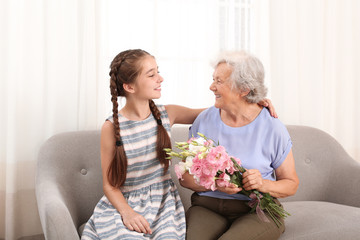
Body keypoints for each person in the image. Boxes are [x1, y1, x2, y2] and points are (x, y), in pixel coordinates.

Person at [81, 49, 277, 240]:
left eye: (158, 71)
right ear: (130, 87)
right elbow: (110, 185)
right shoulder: (111, 127)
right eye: (151, 75)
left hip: (163, 205)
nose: (160, 78)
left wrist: (252, 101)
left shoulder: (167, 113)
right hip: (126, 204)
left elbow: (219, 109)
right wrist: (127, 213)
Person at [180, 50, 299, 240]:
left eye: (219, 81)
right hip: (208, 206)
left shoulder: (272, 127)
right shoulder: (204, 120)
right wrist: (216, 184)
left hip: (257, 210)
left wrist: (263, 184)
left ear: (244, 89)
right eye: (213, 79)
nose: (212, 86)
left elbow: (291, 184)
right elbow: (185, 178)